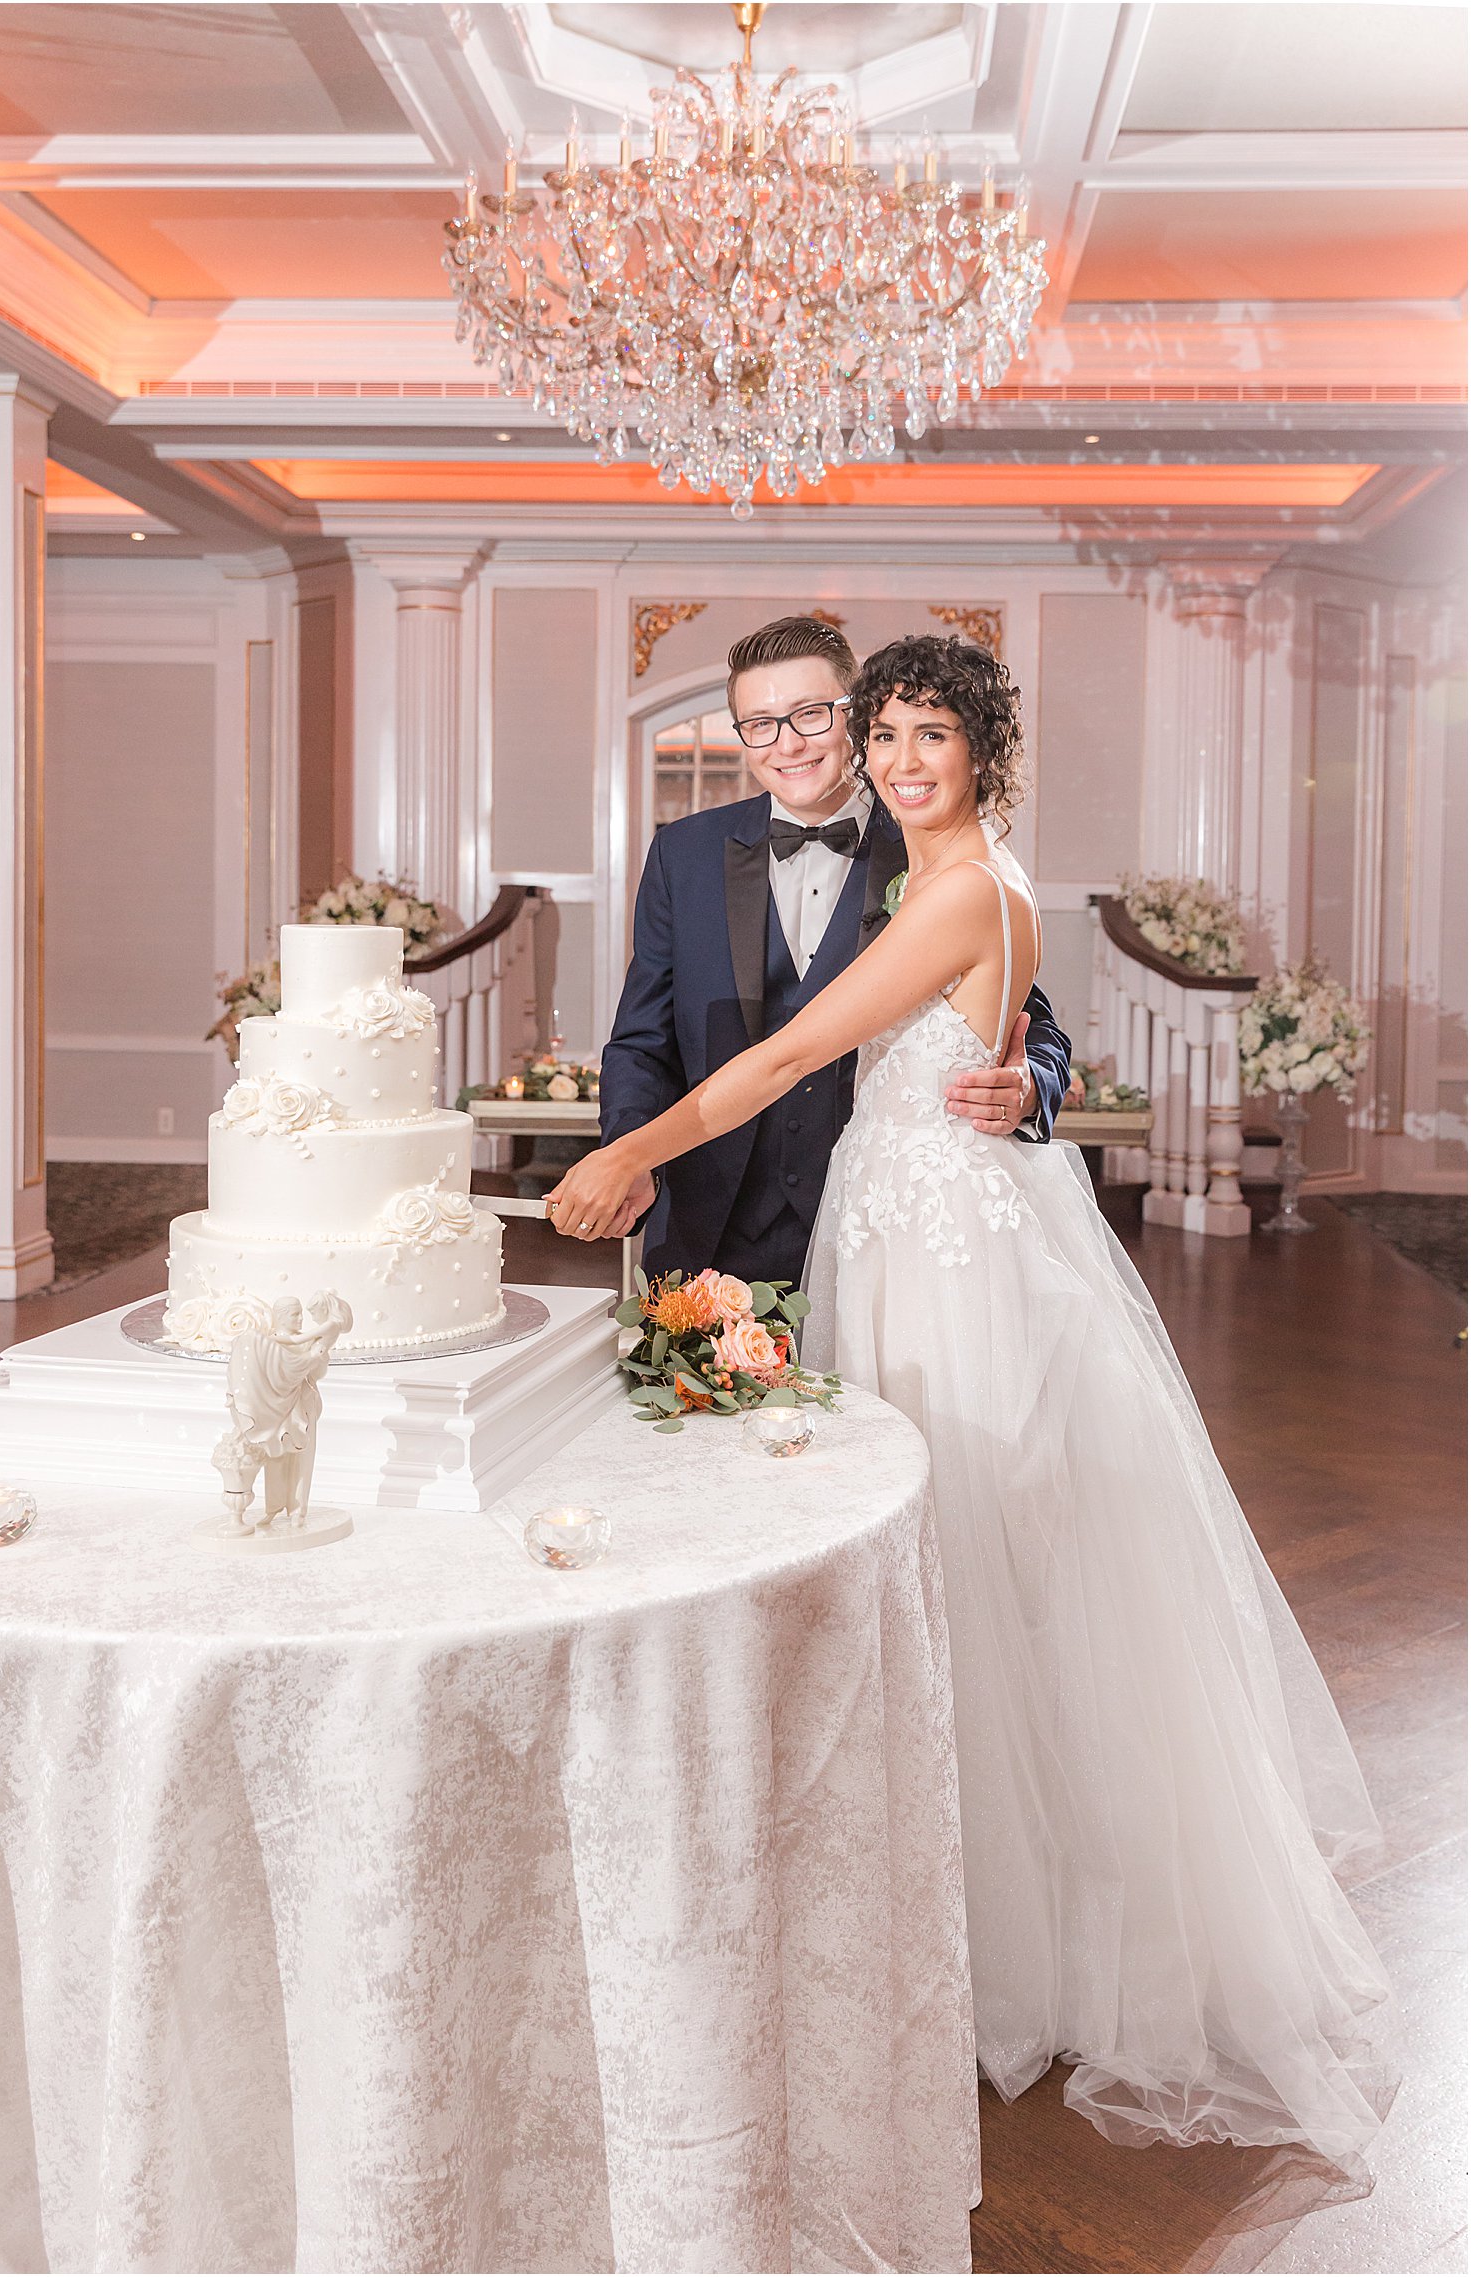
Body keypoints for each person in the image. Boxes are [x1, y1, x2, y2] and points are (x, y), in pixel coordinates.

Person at [547, 634, 1396, 2175]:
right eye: (860, 732)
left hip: (917, 1243)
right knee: (803, 1563)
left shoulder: (944, 874)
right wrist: (644, 1165)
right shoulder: (714, 855)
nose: (869, 753)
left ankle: (969, 1930)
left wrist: (1029, 1082)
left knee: (954, 1564)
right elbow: (652, 1031)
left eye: (899, 729)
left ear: (974, 749)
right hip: (746, 1252)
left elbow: (861, 1039)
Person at [591, 614, 1071, 1288]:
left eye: (811, 715)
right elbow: (642, 1041)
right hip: (708, 1223)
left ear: (855, 714)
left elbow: (1029, 1015)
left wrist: (1028, 1087)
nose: (786, 744)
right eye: (760, 723)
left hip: (876, 1227)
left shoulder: (928, 842)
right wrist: (628, 1155)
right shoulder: (683, 854)